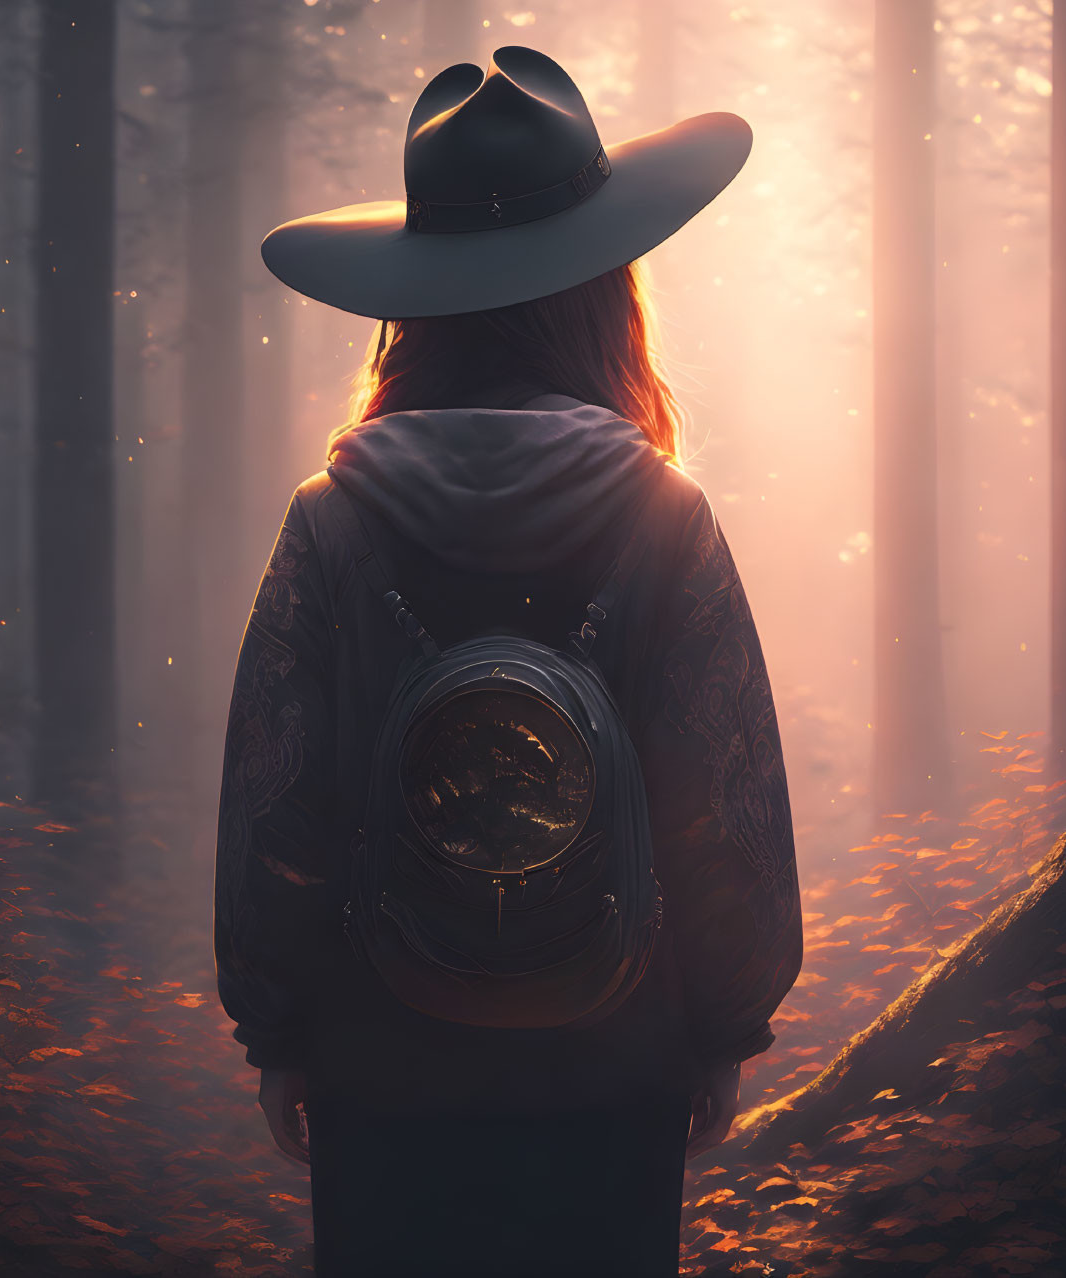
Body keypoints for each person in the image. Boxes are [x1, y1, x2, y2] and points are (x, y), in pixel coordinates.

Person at [214, 46, 803, 1278]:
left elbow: (278, 802)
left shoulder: (330, 518)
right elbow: (723, 794)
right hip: (614, 1043)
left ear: (410, 305)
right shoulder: (663, 513)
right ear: (604, 295)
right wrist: (722, 1028)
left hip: (386, 1052)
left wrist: (278, 1031)